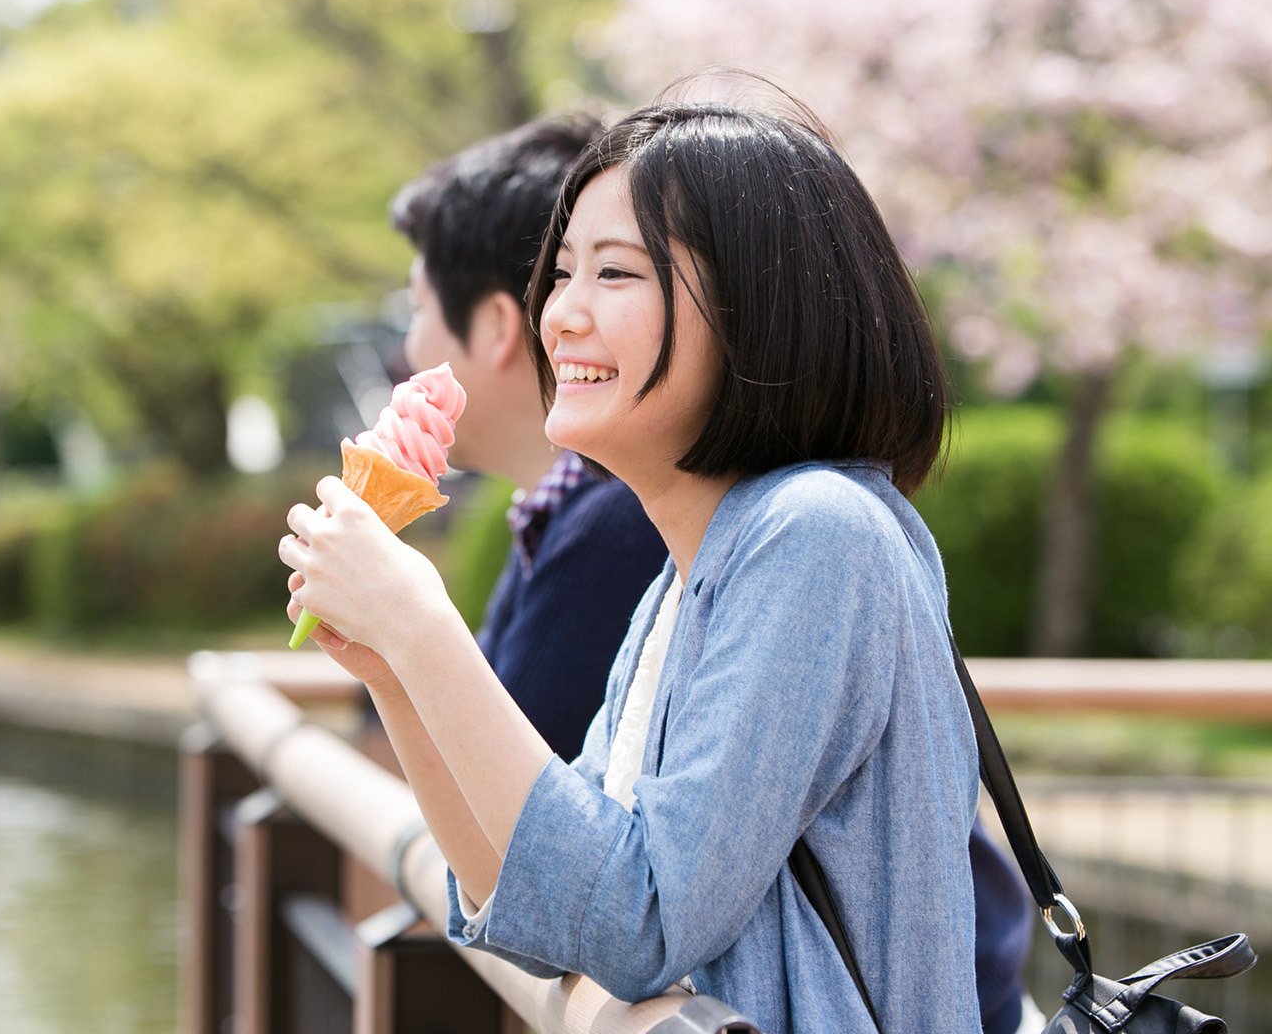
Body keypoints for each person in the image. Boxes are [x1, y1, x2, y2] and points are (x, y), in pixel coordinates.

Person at [283, 96, 1007, 1032]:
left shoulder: (817, 533)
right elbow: (548, 908)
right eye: (562, 273)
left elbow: (642, 922)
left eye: (615, 273)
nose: (562, 317)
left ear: (758, 311)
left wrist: (425, 627)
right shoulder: (685, 573)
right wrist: (390, 668)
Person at [389, 114, 670, 763]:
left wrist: (404, 622)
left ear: (493, 325)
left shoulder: (618, 521)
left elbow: (515, 816)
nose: (408, 349)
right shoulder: (565, 513)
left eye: (417, 308)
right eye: (563, 275)